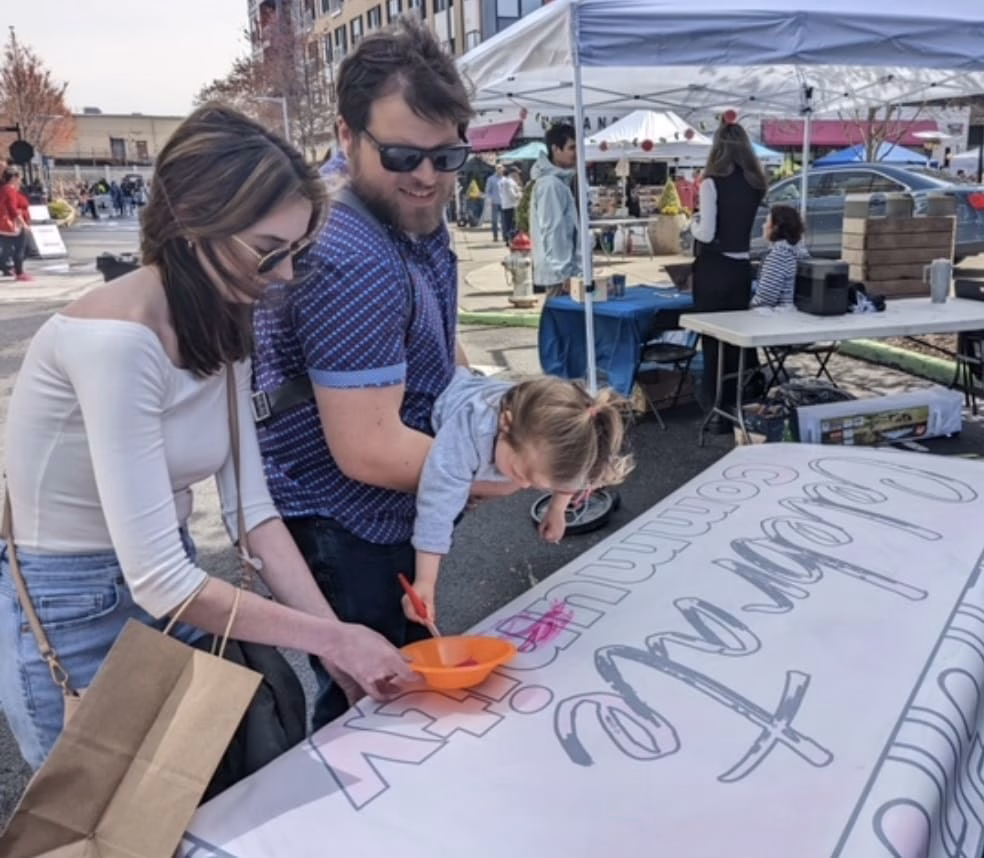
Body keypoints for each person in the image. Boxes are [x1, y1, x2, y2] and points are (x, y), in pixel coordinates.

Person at [0, 105, 417, 770]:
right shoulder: (118, 342)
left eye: (295, 254)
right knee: (109, 827)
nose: (282, 276)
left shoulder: (220, 319)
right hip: (74, 605)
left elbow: (253, 515)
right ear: (193, 223)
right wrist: (335, 644)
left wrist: (338, 643)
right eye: (268, 252)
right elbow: (161, 581)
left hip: (175, 579)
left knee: (191, 803)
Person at [250, 20, 489, 730]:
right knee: (375, 696)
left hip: (370, 505)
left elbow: (440, 344)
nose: (426, 176)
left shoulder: (398, 204)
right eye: (403, 154)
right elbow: (369, 448)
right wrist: (510, 468)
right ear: (346, 134)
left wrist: (485, 412)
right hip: (342, 514)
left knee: (387, 680)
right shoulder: (347, 249)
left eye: (447, 156)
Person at [406, 369, 633, 625]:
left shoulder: (565, 438)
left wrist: (558, 509)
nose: (522, 484)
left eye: (536, 484)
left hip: (494, 432)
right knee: (445, 492)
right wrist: (425, 580)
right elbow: (437, 506)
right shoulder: (469, 431)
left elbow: (570, 476)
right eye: (519, 473)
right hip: (431, 407)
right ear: (505, 423)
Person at [689, 120, 768, 430]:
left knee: (712, 342)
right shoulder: (756, 183)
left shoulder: (711, 182)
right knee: (736, 342)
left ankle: (716, 410)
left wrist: (691, 226)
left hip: (714, 268)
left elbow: (706, 233)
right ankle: (738, 405)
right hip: (740, 269)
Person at [531, 122, 581, 297]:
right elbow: (553, 231)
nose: (577, 153)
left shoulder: (561, 182)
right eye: (572, 147)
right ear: (555, 149)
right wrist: (563, 273)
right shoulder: (550, 185)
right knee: (561, 319)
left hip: (566, 273)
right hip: (560, 276)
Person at [752, 204, 809, 309]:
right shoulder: (797, 250)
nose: (763, 226)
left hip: (776, 317)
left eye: (767, 222)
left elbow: (765, 299)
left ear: (776, 227)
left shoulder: (779, 255)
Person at [0, 169, 32, 282]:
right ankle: (19, 271)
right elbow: (12, 209)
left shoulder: (7, 190)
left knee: (10, 248)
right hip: (14, 224)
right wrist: (23, 223)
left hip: (9, 224)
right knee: (22, 248)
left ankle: (13, 268)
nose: (21, 180)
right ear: (14, 178)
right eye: (19, 178)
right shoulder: (9, 191)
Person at [498, 166, 522, 244]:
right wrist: (518, 195)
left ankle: (508, 239)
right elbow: (512, 194)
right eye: (516, 173)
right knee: (512, 224)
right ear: (513, 173)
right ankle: (511, 240)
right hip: (511, 205)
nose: (518, 175)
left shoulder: (505, 181)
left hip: (506, 205)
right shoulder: (510, 182)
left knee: (508, 224)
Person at [486, 163, 503, 242]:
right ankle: (495, 236)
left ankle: (504, 236)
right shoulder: (491, 179)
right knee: (495, 221)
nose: (500, 170)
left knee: (503, 220)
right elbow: (488, 191)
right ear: (496, 169)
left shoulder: (504, 179)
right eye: (498, 168)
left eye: (501, 168)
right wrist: (491, 200)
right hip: (495, 202)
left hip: (504, 203)